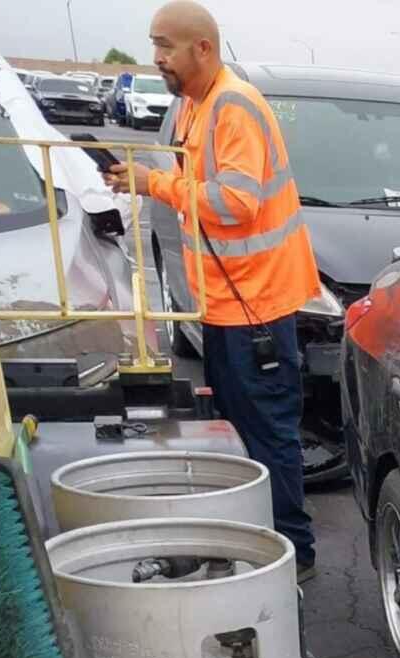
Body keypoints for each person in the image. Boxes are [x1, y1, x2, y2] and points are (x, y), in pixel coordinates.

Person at [105, 2, 320, 581]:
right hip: (227, 304)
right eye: (154, 45)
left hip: (257, 306)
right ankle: (259, 544)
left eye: (166, 46)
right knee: (241, 432)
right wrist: (144, 178)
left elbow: (235, 202)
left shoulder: (232, 106)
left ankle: (292, 554)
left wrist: (159, 184)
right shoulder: (193, 107)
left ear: (203, 48)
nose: (156, 58)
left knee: (267, 434)